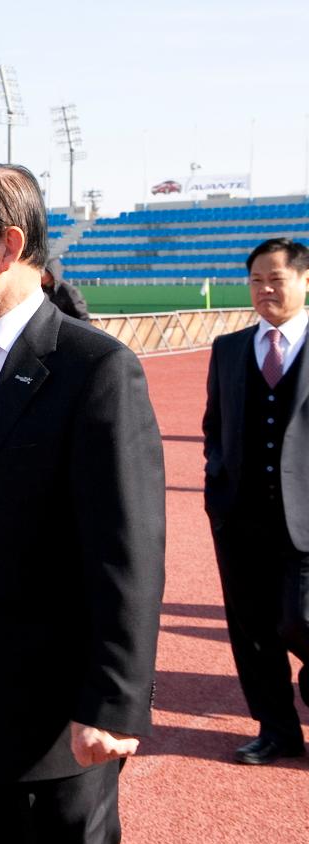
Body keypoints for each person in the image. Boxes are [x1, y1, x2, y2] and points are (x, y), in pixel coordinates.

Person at [0, 162, 166, 844]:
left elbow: (126, 549)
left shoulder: (96, 369)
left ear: (8, 245)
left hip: (49, 737)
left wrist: (112, 701)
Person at [203, 237, 309, 765]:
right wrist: (216, 491)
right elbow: (214, 429)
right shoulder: (228, 349)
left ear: (304, 281)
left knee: (301, 622)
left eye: (276, 279)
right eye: (256, 280)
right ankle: (276, 729)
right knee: (253, 631)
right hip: (241, 518)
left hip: (307, 522)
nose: (265, 289)